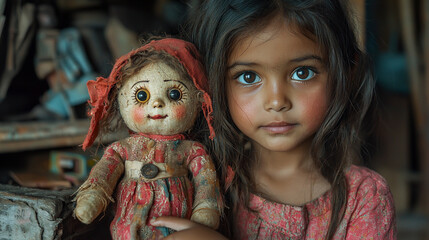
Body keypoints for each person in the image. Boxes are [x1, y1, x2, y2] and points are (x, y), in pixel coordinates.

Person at [150, 0, 397, 239]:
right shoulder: (198, 183)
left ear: (345, 73)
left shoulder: (365, 198)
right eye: (248, 77)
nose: (277, 101)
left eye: (303, 73)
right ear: (210, 83)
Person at [73, 38, 221, 239]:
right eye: (141, 96)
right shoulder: (121, 149)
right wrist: (94, 195)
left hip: (179, 230)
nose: (158, 104)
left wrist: (206, 209)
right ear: (121, 100)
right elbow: (105, 171)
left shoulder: (192, 151)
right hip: (129, 226)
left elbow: (206, 182)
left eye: (174, 94)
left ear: (198, 100)